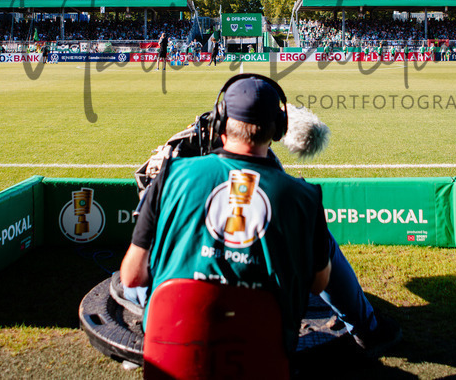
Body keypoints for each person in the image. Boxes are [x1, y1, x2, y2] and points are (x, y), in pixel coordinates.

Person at [118, 75, 400, 357]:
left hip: (174, 352)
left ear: (219, 124)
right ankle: (367, 329)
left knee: (129, 282)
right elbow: (318, 284)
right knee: (319, 247)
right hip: (264, 355)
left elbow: (132, 277)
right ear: (278, 130)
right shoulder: (304, 198)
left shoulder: (170, 178)